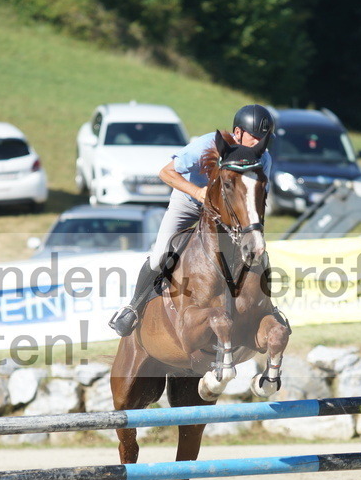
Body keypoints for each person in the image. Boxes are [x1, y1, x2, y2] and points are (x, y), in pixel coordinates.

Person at [108, 104, 275, 337]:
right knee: (160, 257)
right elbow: (165, 173)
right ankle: (133, 307)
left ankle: (268, 308)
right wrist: (197, 193)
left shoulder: (262, 158)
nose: (259, 143)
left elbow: (254, 200)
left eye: (263, 138)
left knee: (258, 254)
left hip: (227, 213)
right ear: (237, 133)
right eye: (255, 137)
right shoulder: (205, 145)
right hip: (189, 202)